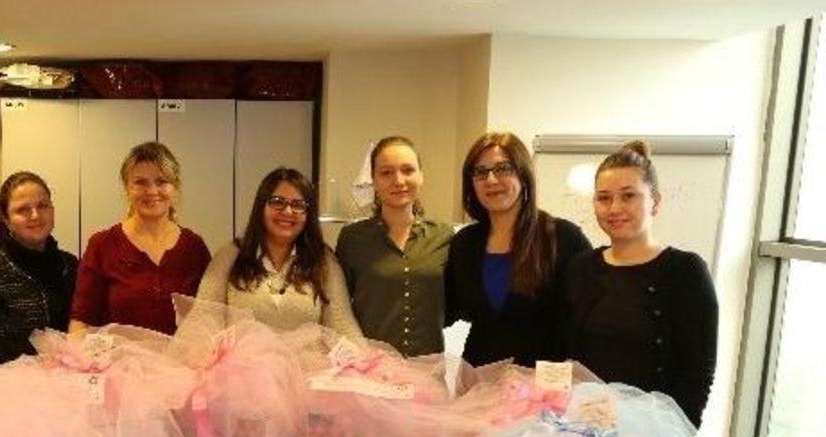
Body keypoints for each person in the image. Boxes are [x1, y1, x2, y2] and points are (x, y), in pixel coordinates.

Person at [566, 140, 718, 427]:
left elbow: (697, 374)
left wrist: (670, 435)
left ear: (655, 202)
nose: (614, 208)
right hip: (582, 427)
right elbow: (565, 356)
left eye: (628, 196)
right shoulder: (581, 267)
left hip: (653, 434)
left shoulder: (685, 272)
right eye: (603, 198)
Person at [445, 132, 591, 366]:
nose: (491, 180)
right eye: (480, 172)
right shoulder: (464, 243)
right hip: (478, 379)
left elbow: (585, 324)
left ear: (523, 175)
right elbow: (446, 310)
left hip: (543, 383)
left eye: (503, 168)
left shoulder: (563, 238)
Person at [193, 167, 361, 335]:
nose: (288, 211)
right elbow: (202, 320)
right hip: (242, 352)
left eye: (298, 205)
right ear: (261, 206)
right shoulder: (230, 255)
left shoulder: (323, 260)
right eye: (278, 202)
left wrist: (362, 352)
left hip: (307, 353)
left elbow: (342, 325)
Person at [68, 142, 211, 335]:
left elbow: (209, 319)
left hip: (184, 355)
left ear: (175, 188)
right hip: (116, 355)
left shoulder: (194, 247)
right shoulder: (102, 245)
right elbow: (81, 321)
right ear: (127, 188)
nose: (152, 191)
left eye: (161, 181)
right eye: (140, 182)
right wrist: (74, 351)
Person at [336, 136, 453, 356]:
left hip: (428, 367)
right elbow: (339, 309)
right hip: (372, 367)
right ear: (373, 180)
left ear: (421, 175)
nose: (398, 181)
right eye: (386, 172)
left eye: (408, 170)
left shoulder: (443, 235)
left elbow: (455, 302)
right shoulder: (352, 239)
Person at [0, 171, 77, 376]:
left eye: (43, 206)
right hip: (8, 391)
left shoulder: (72, 266)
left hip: (70, 385)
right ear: (6, 219)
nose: (35, 215)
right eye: (23, 210)